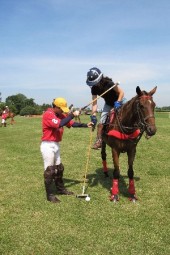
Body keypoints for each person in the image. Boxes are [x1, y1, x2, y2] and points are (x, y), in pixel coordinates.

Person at [40, 97, 93, 203]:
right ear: (56, 107)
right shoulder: (48, 114)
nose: (62, 111)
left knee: (59, 168)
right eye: (61, 109)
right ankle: (50, 195)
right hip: (47, 145)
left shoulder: (60, 114)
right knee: (50, 171)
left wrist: (85, 125)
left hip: (56, 144)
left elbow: (70, 123)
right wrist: (72, 114)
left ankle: (60, 189)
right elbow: (59, 124)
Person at [86, 67, 125, 149]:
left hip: (119, 101)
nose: (93, 85)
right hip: (108, 104)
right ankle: (99, 141)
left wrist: (118, 102)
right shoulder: (94, 89)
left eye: (94, 83)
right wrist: (93, 115)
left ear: (99, 79)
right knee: (101, 122)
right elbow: (94, 103)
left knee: (129, 115)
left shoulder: (109, 83)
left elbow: (121, 92)